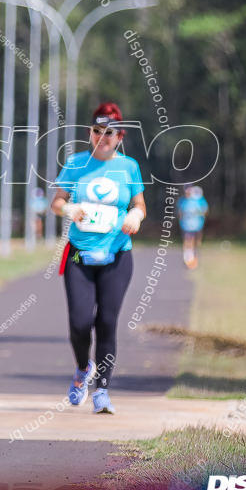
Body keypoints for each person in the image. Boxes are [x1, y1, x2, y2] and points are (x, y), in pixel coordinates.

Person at [50, 102, 145, 414]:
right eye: (96, 131)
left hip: (116, 254)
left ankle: (102, 389)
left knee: (106, 321)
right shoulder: (77, 163)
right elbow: (57, 202)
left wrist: (135, 216)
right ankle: (82, 370)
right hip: (80, 254)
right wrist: (68, 210)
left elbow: (139, 205)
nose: (101, 137)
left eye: (109, 133)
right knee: (79, 323)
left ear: (120, 136)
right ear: (89, 132)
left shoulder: (128, 167)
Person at [177, 185, 209, 269]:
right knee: (188, 241)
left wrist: (200, 215)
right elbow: (180, 212)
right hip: (186, 225)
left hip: (197, 225)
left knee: (196, 242)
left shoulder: (198, 199)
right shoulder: (182, 201)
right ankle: (188, 259)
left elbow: (205, 210)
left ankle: (193, 257)